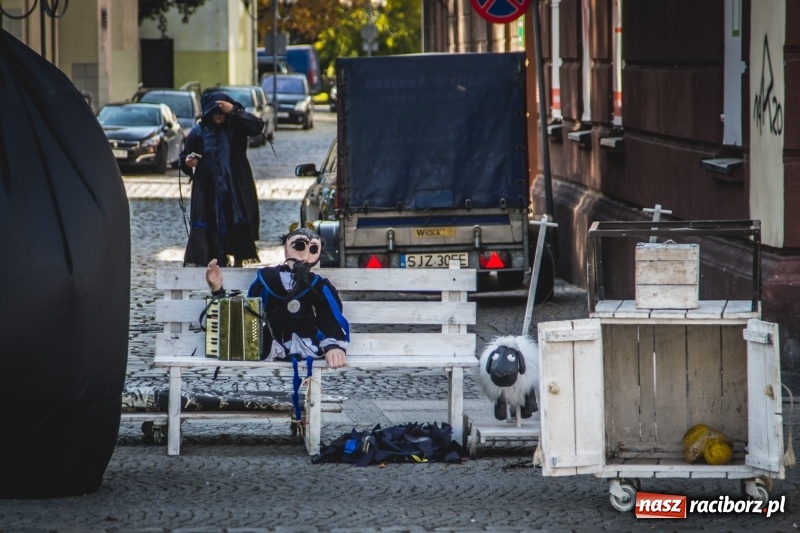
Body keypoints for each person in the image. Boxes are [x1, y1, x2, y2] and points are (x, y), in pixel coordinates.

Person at [205, 226, 348, 369]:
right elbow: (249, 312)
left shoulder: (319, 286)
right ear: (286, 246)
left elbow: (330, 317)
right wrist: (218, 289)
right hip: (272, 343)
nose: (305, 256)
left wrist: (333, 345)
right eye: (299, 246)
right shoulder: (267, 279)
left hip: (307, 345)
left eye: (313, 249)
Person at [180, 91, 265, 267]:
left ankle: (238, 262)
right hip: (207, 189)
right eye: (215, 112)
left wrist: (234, 110)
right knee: (210, 224)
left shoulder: (236, 128)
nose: (218, 116)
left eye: (221, 112)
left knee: (236, 221)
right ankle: (214, 266)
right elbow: (185, 155)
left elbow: (256, 126)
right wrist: (188, 163)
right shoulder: (199, 131)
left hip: (235, 186)